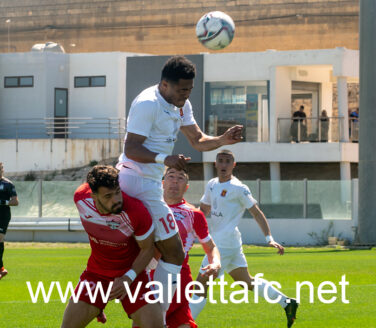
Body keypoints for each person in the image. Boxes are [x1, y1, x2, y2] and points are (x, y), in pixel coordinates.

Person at [116, 55, 243, 315]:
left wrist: (222, 139)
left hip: (150, 182)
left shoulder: (180, 105)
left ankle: (142, 304)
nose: (186, 94)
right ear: (165, 85)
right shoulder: (148, 104)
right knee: (172, 251)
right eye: (182, 89)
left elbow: (197, 140)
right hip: (134, 180)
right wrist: (166, 159)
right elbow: (131, 148)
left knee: (161, 252)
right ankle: (155, 313)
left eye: (190, 89)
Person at [189, 150, 299, 328]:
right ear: (215, 164)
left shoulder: (239, 188)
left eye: (228, 161)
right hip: (230, 242)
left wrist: (269, 238)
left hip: (223, 244)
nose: (224, 165)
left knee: (200, 286)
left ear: (234, 165)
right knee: (247, 282)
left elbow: (256, 213)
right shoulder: (211, 184)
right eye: (220, 161)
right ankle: (287, 303)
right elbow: (204, 210)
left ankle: (184, 323)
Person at [61, 165, 163, 328]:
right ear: (94, 196)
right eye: (108, 196)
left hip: (132, 276)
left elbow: (147, 249)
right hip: (97, 274)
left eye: (117, 192)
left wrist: (127, 278)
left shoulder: (136, 210)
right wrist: (95, 304)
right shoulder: (80, 199)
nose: (116, 199)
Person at [163, 167, 221, 328]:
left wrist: (215, 262)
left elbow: (210, 247)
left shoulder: (194, 214)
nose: (175, 181)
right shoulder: (149, 207)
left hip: (179, 279)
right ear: (162, 183)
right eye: (171, 176)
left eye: (180, 178)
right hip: (148, 278)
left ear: (186, 187)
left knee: (182, 323)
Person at [0, 162, 19, 280]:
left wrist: (2, 202)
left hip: (3, 215)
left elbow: (15, 201)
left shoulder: (8, 184)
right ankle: (1, 269)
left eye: (0, 168)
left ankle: (1, 269)